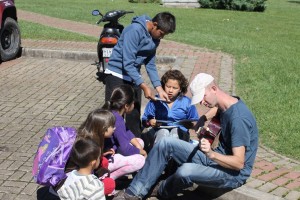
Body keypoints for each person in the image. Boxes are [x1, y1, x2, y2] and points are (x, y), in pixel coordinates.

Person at [112, 72, 259, 200]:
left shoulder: (239, 119)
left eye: (203, 97)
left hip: (232, 173)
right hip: (214, 160)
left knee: (185, 171)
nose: (202, 102)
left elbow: (239, 163)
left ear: (214, 89)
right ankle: (132, 193)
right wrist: (203, 118)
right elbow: (217, 109)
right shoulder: (228, 102)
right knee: (165, 143)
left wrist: (211, 154)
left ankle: (162, 189)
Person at [104, 12, 176, 138]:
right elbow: (128, 64)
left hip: (133, 76)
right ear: (154, 25)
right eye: (161, 33)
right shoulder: (134, 30)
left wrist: (159, 88)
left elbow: (150, 63)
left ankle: (136, 146)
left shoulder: (155, 38)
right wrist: (144, 86)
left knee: (134, 115)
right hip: (117, 74)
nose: (162, 37)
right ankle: (110, 146)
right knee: (113, 114)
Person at [67, 108, 117, 196]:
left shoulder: (86, 136)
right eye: (112, 126)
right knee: (109, 183)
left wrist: (103, 153)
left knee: (104, 162)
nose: (114, 128)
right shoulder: (91, 144)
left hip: (77, 171)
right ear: (103, 129)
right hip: (78, 176)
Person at [142, 69, 199, 144]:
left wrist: (191, 125)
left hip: (180, 134)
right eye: (168, 86)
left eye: (175, 88)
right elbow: (144, 121)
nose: (170, 90)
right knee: (163, 133)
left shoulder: (187, 102)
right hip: (161, 131)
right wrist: (150, 122)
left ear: (180, 89)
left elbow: (196, 122)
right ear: (163, 85)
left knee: (175, 133)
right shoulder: (156, 100)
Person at [102, 85, 147, 180]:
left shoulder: (114, 112)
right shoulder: (117, 120)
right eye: (133, 103)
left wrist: (138, 146)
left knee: (140, 142)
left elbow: (126, 131)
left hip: (110, 150)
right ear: (126, 106)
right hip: (106, 158)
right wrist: (142, 152)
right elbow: (125, 148)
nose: (134, 105)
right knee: (140, 160)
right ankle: (108, 177)